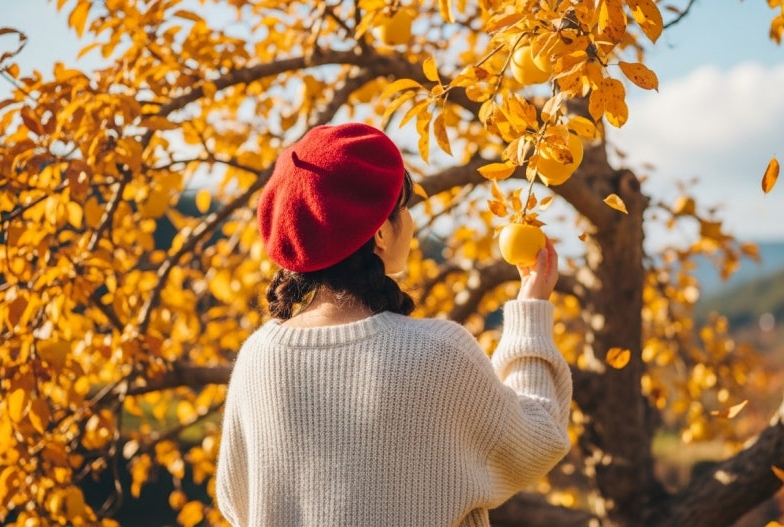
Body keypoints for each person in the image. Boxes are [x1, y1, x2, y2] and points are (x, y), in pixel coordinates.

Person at [214, 122, 573, 527]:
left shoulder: (256, 359)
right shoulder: (438, 354)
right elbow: (537, 440)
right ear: (381, 234)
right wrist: (530, 312)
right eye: (404, 208)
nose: (413, 223)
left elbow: (236, 501)